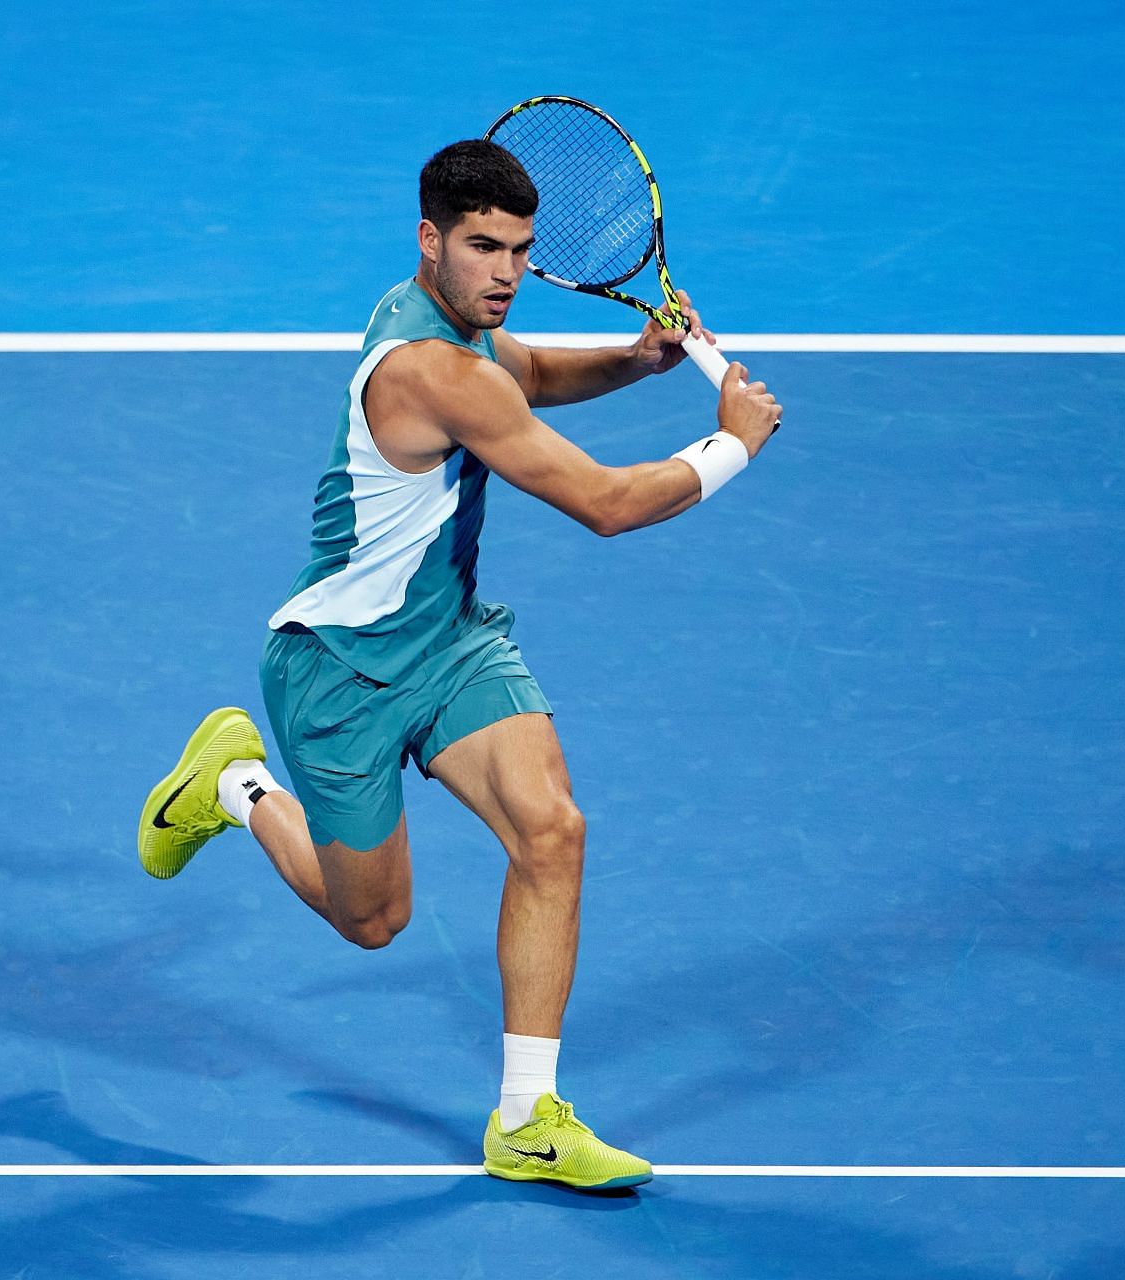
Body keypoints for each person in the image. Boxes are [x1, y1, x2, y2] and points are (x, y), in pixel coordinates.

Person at [135, 139, 780, 1192]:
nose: (506, 274)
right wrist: (733, 444)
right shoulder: (429, 368)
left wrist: (633, 362)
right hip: (336, 673)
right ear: (431, 238)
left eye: (521, 251)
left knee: (552, 829)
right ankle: (232, 782)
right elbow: (608, 505)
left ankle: (527, 1119)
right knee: (373, 921)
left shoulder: (450, 321)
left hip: (446, 638)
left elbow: (519, 373)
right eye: (484, 248)